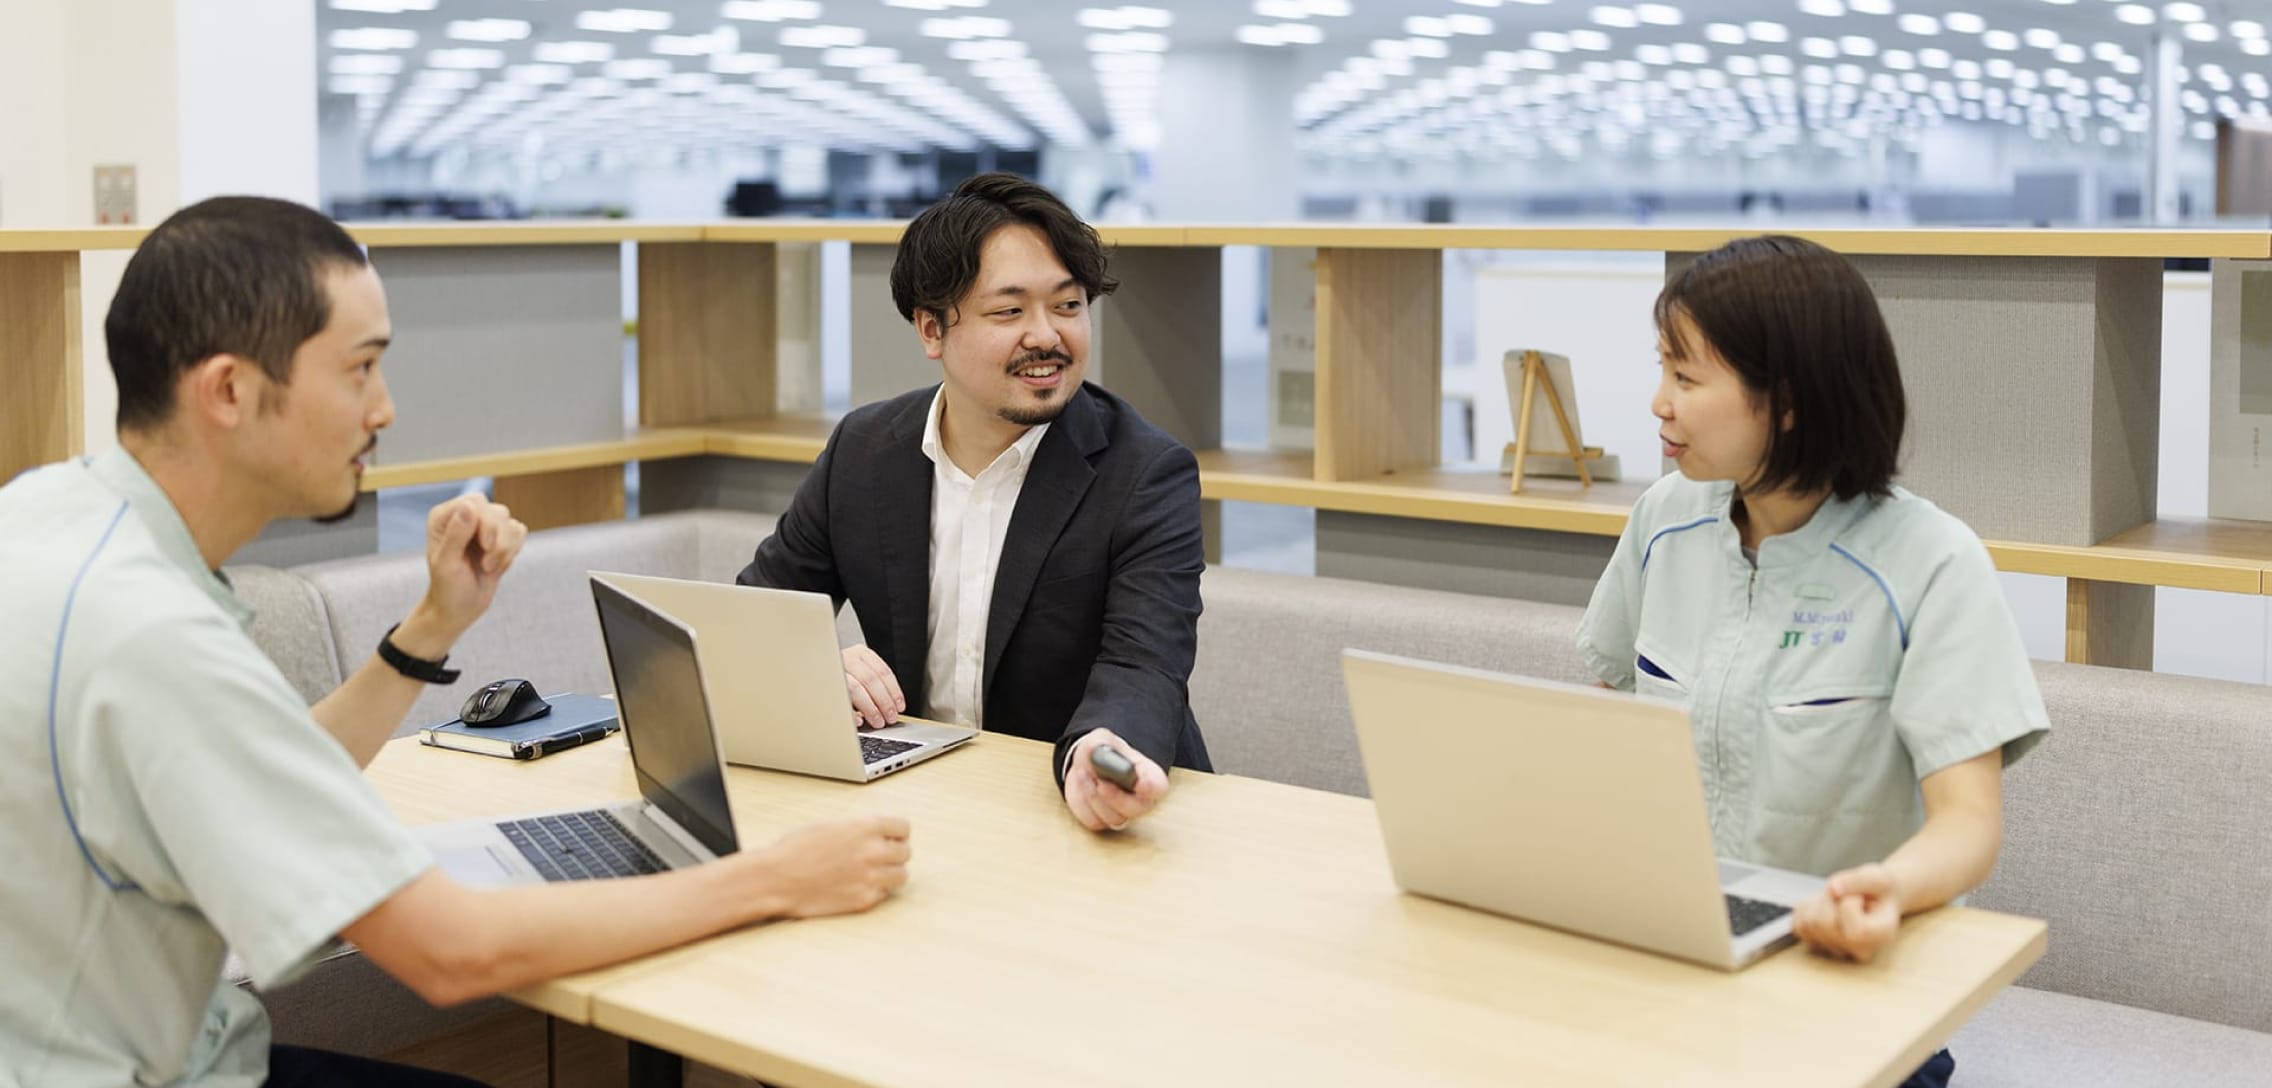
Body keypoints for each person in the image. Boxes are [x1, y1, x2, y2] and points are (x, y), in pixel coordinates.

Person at [0, 196, 911, 1088]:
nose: (385, 409)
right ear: (230, 390)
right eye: (360, 370)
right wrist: (774, 880)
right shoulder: (158, 636)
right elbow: (449, 954)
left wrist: (431, 628)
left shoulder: (52, 518)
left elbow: (261, 767)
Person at [1575, 235, 2048, 1088]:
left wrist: (1886, 892)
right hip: (1669, 966)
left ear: (1785, 402)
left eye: (1686, 379)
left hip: (1845, 990)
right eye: (1664, 372)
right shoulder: (1663, 521)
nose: (1659, 404)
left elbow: (1969, 826)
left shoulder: (1932, 563)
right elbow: (1608, 719)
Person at [736, 172, 1210, 833]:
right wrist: (811, 662)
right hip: (927, 801)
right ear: (932, 329)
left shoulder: (1145, 471)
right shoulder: (864, 451)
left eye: (1068, 306)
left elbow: (1144, 664)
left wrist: (1103, 754)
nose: (1047, 336)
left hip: (1076, 806)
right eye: (1009, 312)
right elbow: (754, 612)